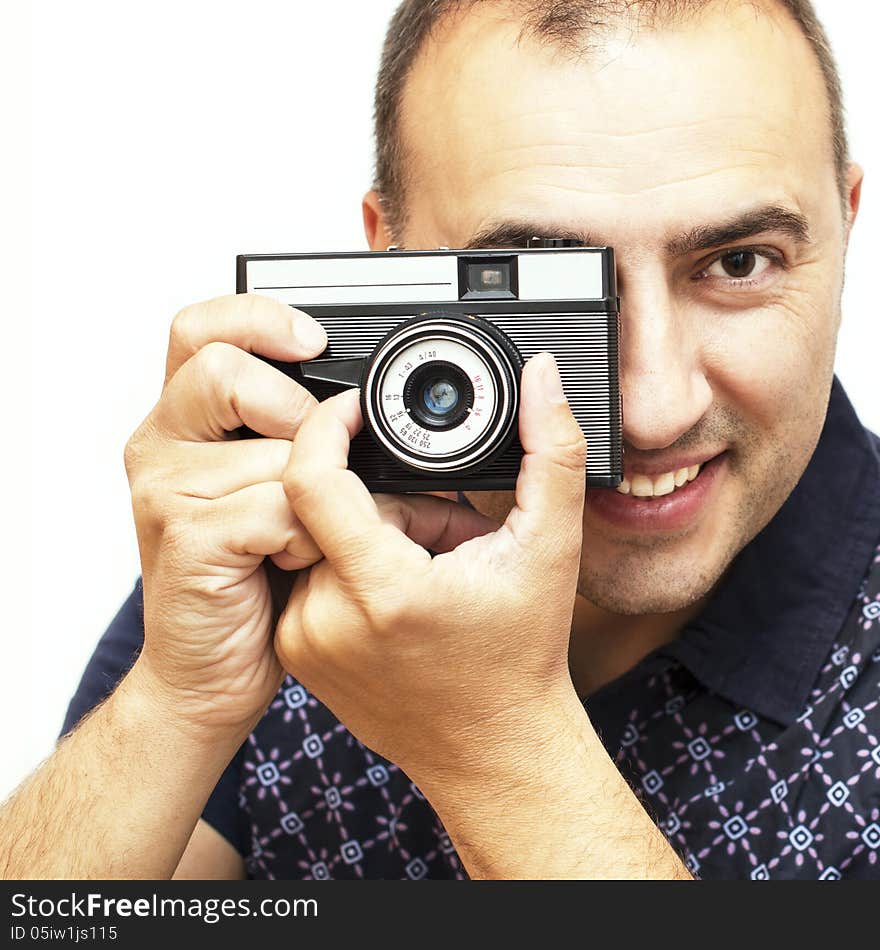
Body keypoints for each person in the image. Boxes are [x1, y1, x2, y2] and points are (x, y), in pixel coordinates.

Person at [2, 0, 878, 880]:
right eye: (542, 289)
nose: (653, 410)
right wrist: (178, 701)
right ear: (391, 256)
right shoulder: (308, 533)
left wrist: (499, 750)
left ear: (846, 226)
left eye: (738, 263)